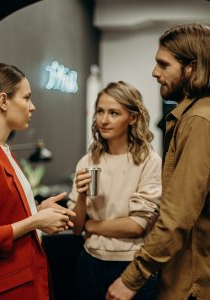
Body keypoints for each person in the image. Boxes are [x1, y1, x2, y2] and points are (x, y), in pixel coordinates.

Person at [107, 23, 210, 300]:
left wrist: (131, 279)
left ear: (191, 67)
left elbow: (178, 214)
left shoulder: (200, 121)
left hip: (196, 283)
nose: (155, 73)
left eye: (163, 65)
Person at [0, 63, 76, 300]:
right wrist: (35, 221)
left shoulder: (1, 150)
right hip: (4, 290)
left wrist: (38, 210)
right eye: (27, 97)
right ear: (3, 101)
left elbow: (4, 216)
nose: (32, 106)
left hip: (23, 282)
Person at [67, 81, 162, 300]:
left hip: (132, 265)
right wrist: (81, 196)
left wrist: (92, 225)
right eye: (100, 111)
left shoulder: (148, 161)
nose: (104, 120)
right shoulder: (88, 161)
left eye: (114, 113)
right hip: (90, 263)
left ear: (133, 118)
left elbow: (136, 226)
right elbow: (76, 227)